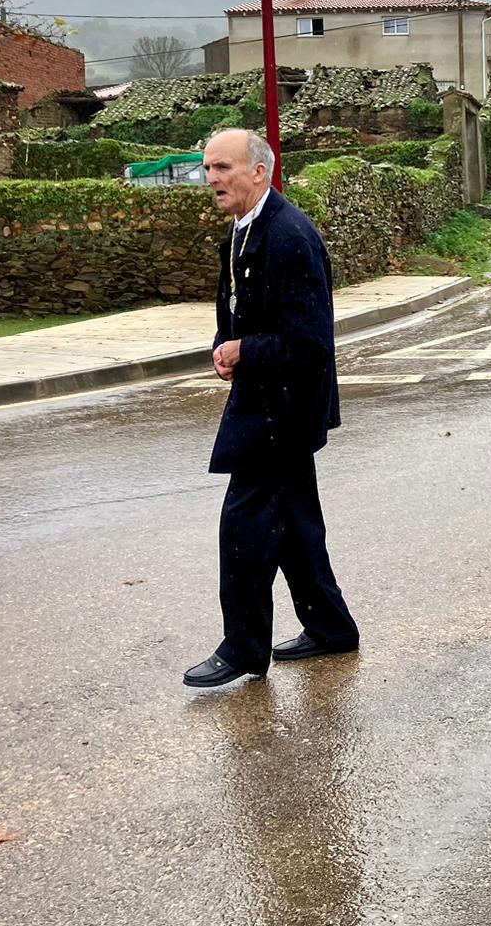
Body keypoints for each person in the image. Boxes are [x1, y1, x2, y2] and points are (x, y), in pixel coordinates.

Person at [183, 128, 359, 689]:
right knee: (295, 526)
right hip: (264, 398)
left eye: (224, 168)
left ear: (260, 172)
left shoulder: (288, 235)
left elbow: (310, 343)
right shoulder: (242, 229)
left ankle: (242, 649)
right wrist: (224, 343)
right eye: (209, 168)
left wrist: (246, 350)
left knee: (244, 527)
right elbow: (235, 303)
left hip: (284, 410)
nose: (212, 179)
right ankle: (332, 629)